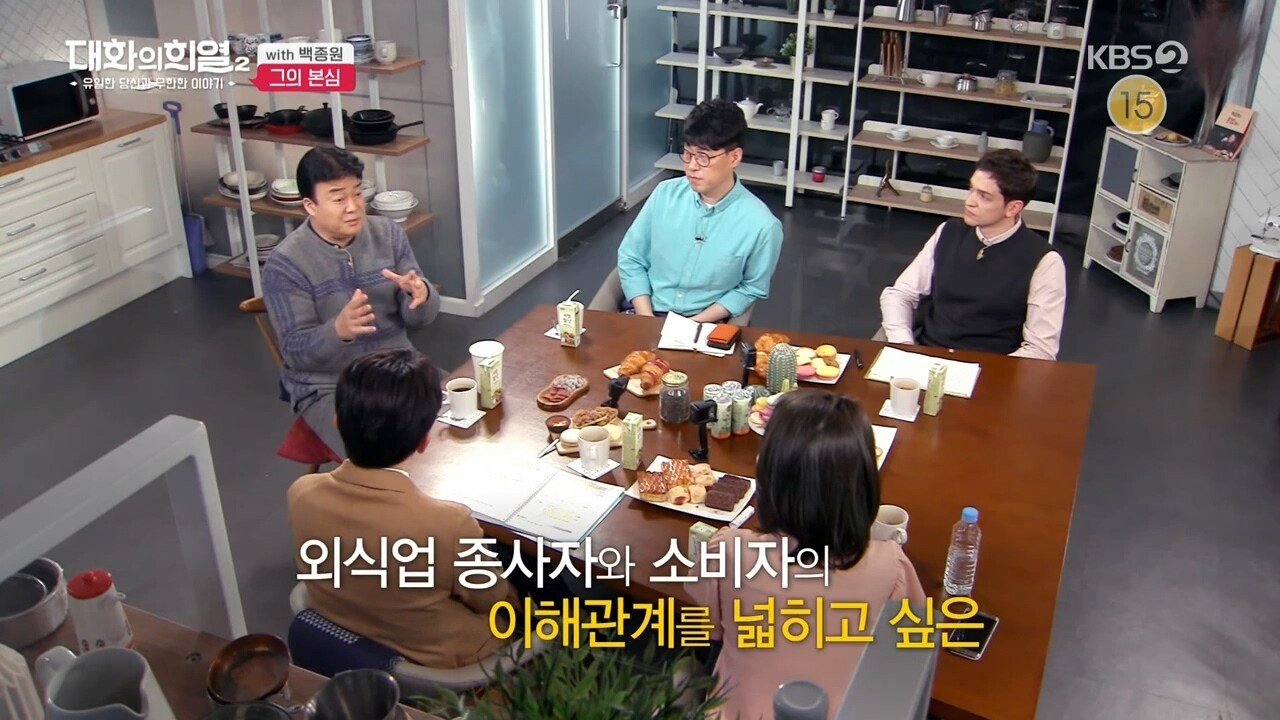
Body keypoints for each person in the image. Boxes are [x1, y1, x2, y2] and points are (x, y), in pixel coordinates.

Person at [689, 390, 925, 719]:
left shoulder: (728, 552)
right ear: (864, 483)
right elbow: (909, 652)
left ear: (769, 477)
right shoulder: (891, 565)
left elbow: (707, 628)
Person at [287, 349, 518, 669]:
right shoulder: (448, 524)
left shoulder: (301, 494)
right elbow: (490, 601)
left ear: (337, 422)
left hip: (348, 635)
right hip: (446, 660)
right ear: (424, 441)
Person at [263, 146, 440, 456]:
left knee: (468, 416)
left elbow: (420, 320)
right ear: (310, 205)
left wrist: (421, 296)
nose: (353, 207)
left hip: (399, 371)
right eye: (338, 199)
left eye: (357, 193)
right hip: (332, 386)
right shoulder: (286, 264)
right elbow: (295, 352)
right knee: (384, 453)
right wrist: (338, 331)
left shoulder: (388, 233)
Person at [879, 149, 1066, 360]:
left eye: (984, 197)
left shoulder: (1045, 261)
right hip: (927, 355)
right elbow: (899, 294)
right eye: (971, 189)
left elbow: (1040, 349)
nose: (969, 201)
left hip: (992, 367)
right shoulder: (948, 231)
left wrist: (986, 373)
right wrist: (904, 345)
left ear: (1013, 208)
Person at [616, 98, 783, 322]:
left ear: (734, 157)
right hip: (645, 313)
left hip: (705, 323)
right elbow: (631, 257)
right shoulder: (664, 194)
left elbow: (751, 288)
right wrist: (646, 318)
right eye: (687, 154)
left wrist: (692, 325)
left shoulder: (762, 226)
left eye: (703, 157)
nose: (692, 166)